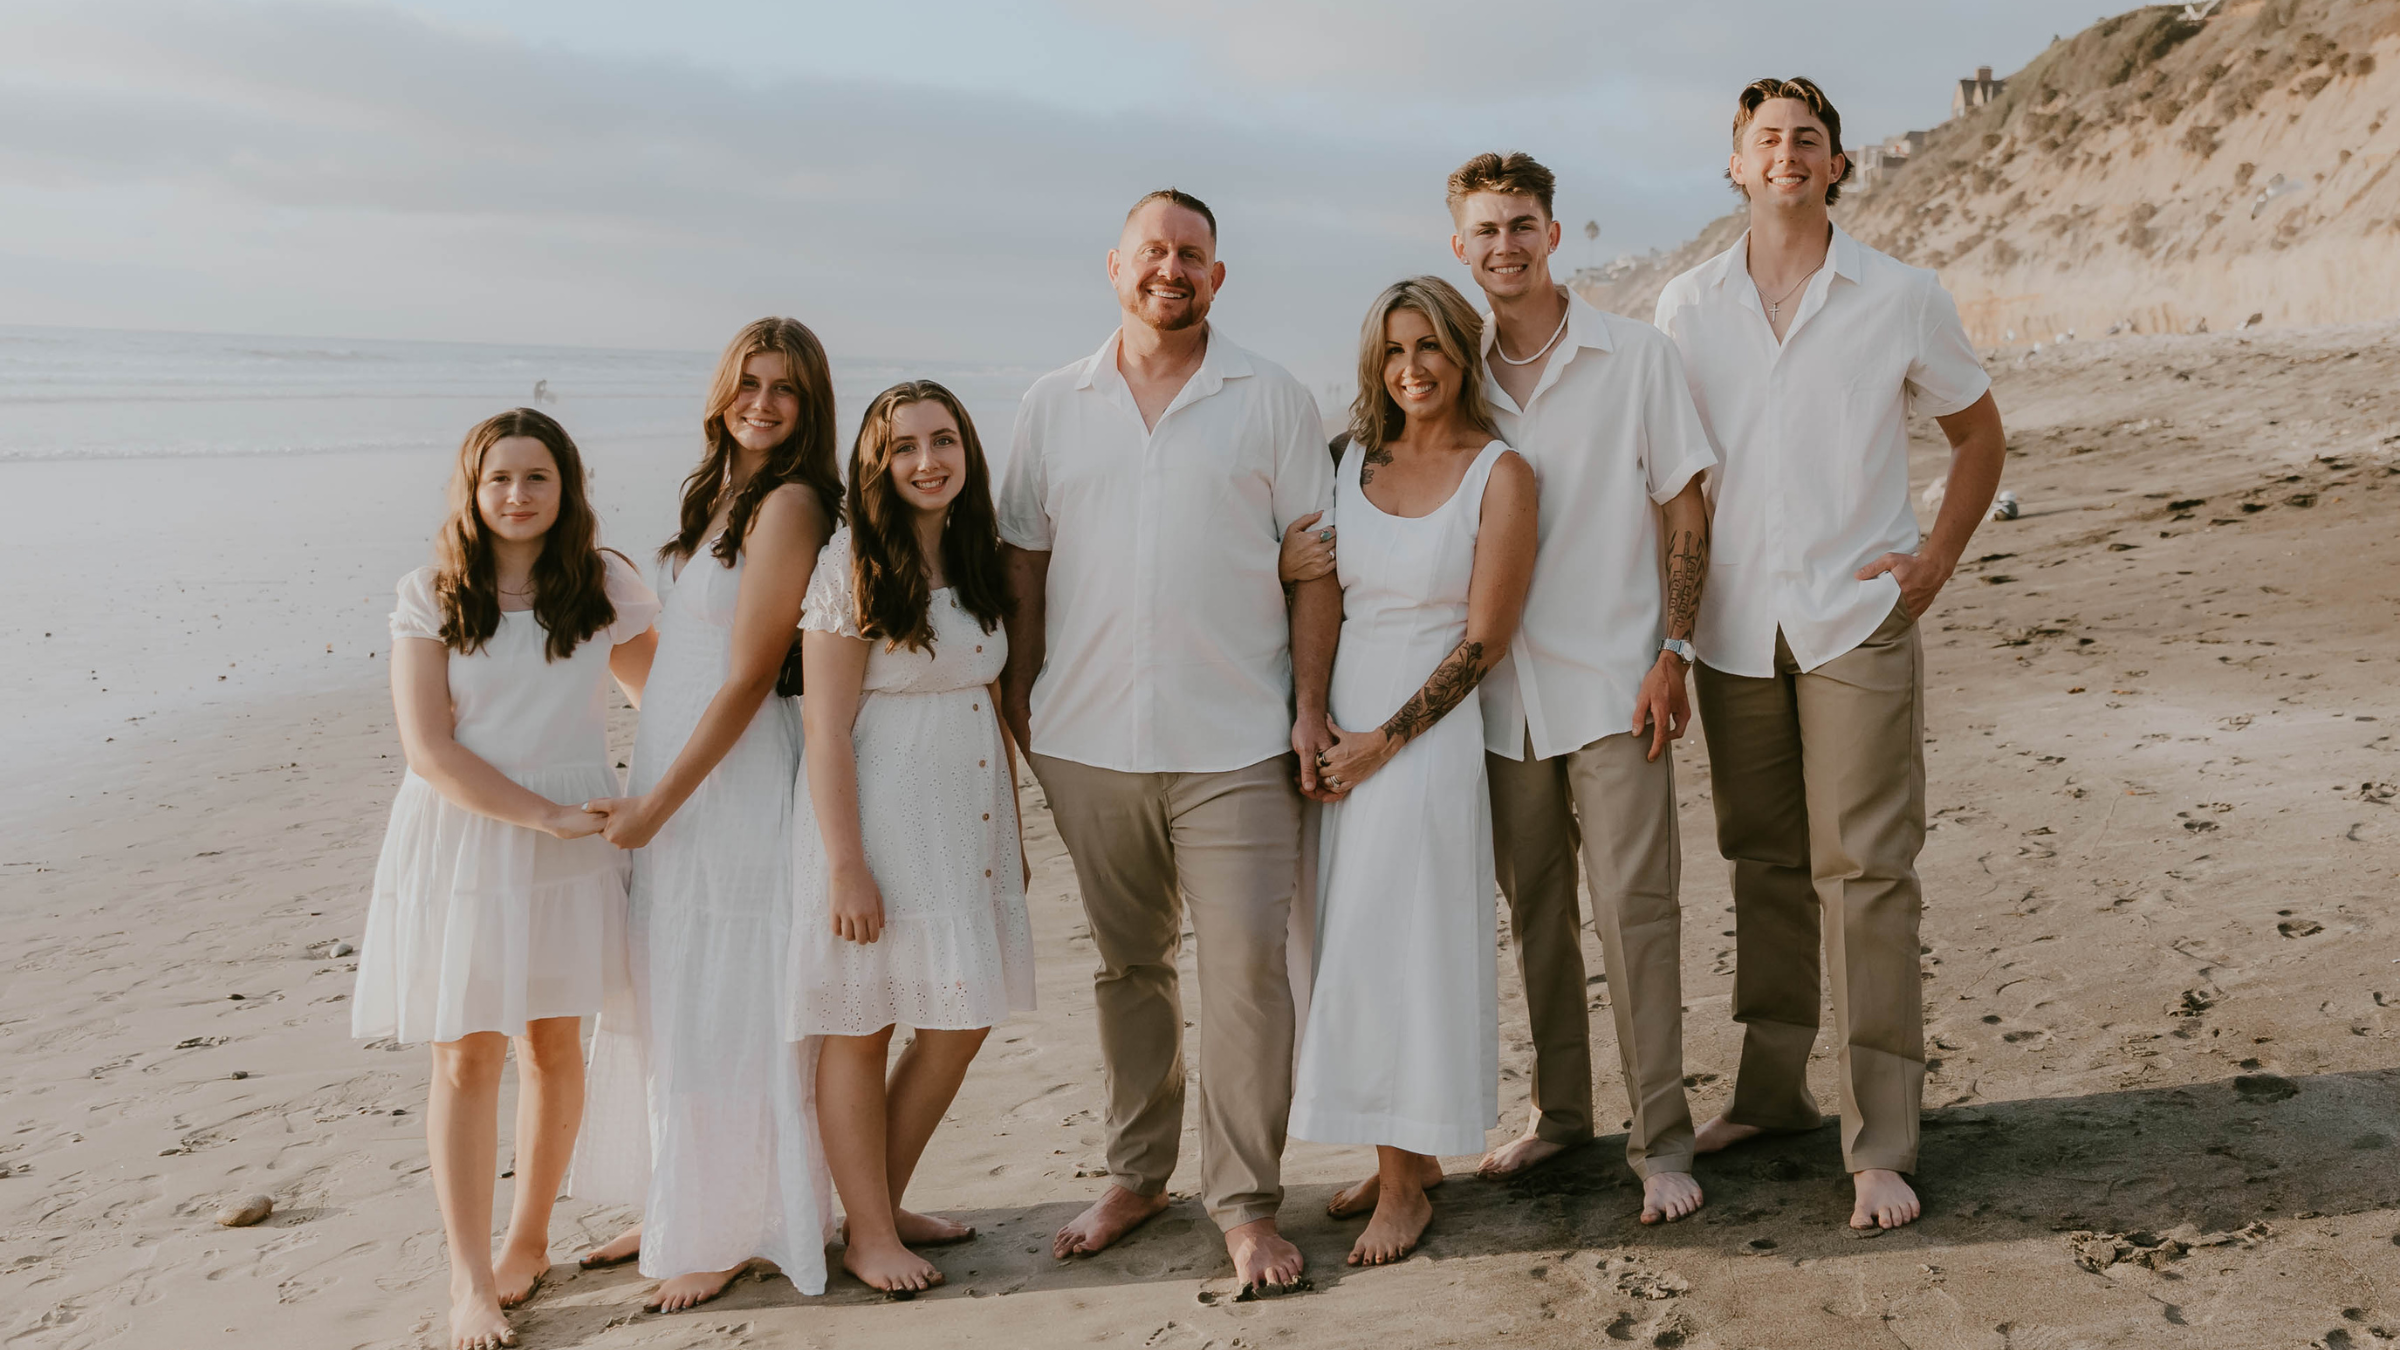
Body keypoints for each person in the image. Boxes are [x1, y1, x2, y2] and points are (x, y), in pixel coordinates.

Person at [1654, 78, 2006, 1231]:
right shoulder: (1686, 307)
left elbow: (1977, 434)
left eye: (1809, 139)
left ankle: (1880, 1140)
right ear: (1738, 168)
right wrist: (1665, 633)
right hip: (1734, 632)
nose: (1789, 154)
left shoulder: (1899, 295)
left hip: (1857, 619)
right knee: (1762, 862)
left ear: (1839, 166)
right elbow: (1670, 485)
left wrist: (1934, 564)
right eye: (1768, 139)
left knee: (1866, 873)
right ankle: (1771, 1096)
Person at [997, 188, 1339, 1294]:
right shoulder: (1053, 404)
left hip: (1237, 738)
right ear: (1114, 266)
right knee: (1130, 968)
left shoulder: (1274, 399)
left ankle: (1243, 1202)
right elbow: (1023, 570)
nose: (1172, 270)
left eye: (1192, 256)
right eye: (1154, 252)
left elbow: (1317, 563)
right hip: (1087, 739)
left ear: (1217, 277)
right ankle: (1138, 1174)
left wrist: (1309, 706)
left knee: (1244, 973)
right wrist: (1024, 709)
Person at [354, 407, 659, 1350]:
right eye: (499, 479)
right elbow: (429, 750)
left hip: (572, 840)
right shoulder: (432, 592)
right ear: (472, 490)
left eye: (537, 477)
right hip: (470, 835)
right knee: (466, 1053)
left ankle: (529, 1242)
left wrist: (655, 803)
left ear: (566, 487)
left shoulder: (602, 584)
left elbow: (670, 702)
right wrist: (545, 816)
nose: (518, 495)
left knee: (554, 1044)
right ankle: (470, 1278)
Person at [1453, 151, 1721, 1225]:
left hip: (1618, 685)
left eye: (1522, 224)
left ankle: (1662, 1142)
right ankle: (1561, 1111)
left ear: (1555, 235)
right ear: (1459, 248)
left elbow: (1686, 511)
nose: (1505, 244)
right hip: (1495, 698)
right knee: (1536, 921)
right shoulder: (1444, 366)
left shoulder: (1637, 356)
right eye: (1485, 230)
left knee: (1635, 914)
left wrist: (1676, 650)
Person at [570, 318, 843, 1306]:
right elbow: (678, 666)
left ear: (809, 409)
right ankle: (681, 1194)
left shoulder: (792, 504)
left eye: (786, 389)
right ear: (721, 391)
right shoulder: (717, 496)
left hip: (728, 786)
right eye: (748, 382)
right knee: (675, 989)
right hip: (681, 773)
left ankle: (729, 1225)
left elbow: (749, 678)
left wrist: (656, 805)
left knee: (730, 996)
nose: (762, 402)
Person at [1289, 277, 1536, 1267]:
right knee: (1344, 943)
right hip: (1343, 728)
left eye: (1430, 347)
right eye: (1395, 352)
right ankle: (1409, 1156)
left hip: (1426, 745)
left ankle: (1405, 1187)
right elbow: (1319, 593)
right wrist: (1313, 716)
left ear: (1462, 355)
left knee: (1402, 951)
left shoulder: (1501, 472)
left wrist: (1382, 742)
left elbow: (1487, 640)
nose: (1412, 369)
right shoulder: (1350, 461)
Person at [790, 381, 1035, 1295]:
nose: (926, 461)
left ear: (968, 452)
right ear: (876, 464)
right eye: (903, 447)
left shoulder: (980, 558)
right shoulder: (850, 564)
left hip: (965, 821)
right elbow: (824, 729)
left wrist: (1008, 830)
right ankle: (870, 1234)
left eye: (943, 441)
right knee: (863, 1026)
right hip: (879, 826)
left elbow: (988, 705)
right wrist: (846, 865)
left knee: (959, 1022)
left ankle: (875, 1208)